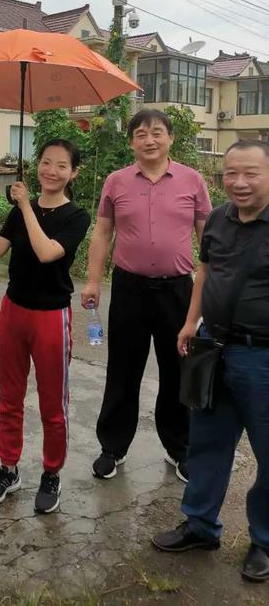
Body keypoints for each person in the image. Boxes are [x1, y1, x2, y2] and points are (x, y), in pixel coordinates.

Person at [152, 140, 269, 583]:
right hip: (213, 348)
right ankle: (200, 526)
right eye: (231, 173)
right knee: (206, 443)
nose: (238, 182)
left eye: (251, 173)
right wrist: (190, 322)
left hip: (263, 358)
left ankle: (264, 540)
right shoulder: (218, 218)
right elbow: (204, 270)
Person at [82, 109, 211, 482]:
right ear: (131, 142)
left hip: (177, 289)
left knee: (177, 370)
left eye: (156, 132)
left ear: (171, 138)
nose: (149, 140)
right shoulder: (116, 181)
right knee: (123, 369)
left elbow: (207, 237)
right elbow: (102, 233)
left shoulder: (192, 180)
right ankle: (113, 447)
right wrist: (93, 281)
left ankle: (180, 448)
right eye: (140, 133)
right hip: (130, 289)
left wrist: (212, 287)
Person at [0, 138, 90, 513]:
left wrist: (26, 204)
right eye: (46, 162)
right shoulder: (18, 212)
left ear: (73, 173)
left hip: (51, 317)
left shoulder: (76, 217)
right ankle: (8, 468)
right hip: (13, 310)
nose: (51, 171)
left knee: (52, 403)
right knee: (9, 397)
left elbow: (46, 253)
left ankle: (51, 472)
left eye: (61, 165)